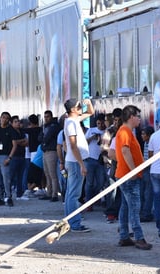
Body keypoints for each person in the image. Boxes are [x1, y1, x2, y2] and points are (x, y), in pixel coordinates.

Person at [115, 105, 152, 250]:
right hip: (128, 177)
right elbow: (125, 151)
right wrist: (134, 171)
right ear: (131, 117)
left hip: (125, 175)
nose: (139, 119)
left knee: (125, 207)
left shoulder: (126, 131)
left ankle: (124, 236)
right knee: (134, 207)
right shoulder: (125, 131)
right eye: (137, 116)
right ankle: (139, 238)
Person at [63, 98, 94, 232]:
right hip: (75, 162)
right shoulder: (71, 123)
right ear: (73, 110)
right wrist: (82, 164)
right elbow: (73, 145)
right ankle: (75, 223)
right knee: (74, 194)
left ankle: (69, 221)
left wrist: (88, 103)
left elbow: (91, 113)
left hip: (74, 161)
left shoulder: (74, 120)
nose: (81, 108)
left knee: (71, 193)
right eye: (79, 106)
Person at [84, 113, 107, 211]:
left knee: (100, 182)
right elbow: (84, 142)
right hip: (90, 159)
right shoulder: (91, 131)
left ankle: (94, 197)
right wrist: (92, 138)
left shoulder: (107, 132)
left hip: (101, 160)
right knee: (89, 183)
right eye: (98, 123)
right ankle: (89, 202)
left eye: (102, 123)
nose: (100, 125)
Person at [39, 111, 61, 202]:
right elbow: (39, 138)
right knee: (47, 174)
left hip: (52, 151)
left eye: (48, 116)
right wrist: (43, 138)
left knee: (53, 174)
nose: (46, 118)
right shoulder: (45, 127)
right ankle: (49, 192)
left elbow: (46, 138)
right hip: (45, 151)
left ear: (51, 116)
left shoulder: (54, 126)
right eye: (45, 117)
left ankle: (54, 194)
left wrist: (43, 138)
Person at [9, 116, 28, 200]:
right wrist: (20, 141)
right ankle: (7, 194)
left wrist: (18, 142)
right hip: (13, 156)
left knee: (20, 176)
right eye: (15, 122)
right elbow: (13, 143)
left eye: (18, 121)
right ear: (11, 123)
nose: (18, 123)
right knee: (11, 176)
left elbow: (26, 142)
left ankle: (19, 194)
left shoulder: (21, 131)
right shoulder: (10, 132)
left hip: (22, 155)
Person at [139, 126, 155, 222]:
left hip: (149, 168)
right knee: (142, 192)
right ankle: (142, 212)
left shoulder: (151, 143)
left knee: (148, 192)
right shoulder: (145, 143)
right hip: (144, 168)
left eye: (144, 134)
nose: (142, 136)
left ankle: (146, 213)